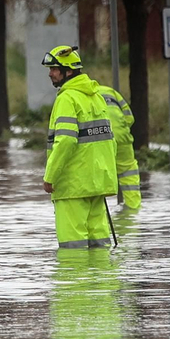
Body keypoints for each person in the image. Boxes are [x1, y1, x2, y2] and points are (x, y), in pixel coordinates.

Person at [41, 46, 118, 250]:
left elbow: (65, 141)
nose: (50, 73)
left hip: (72, 186)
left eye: (54, 69)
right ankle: (103, 282)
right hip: (97, 183)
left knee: (72, 249)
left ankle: (75, 283)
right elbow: (110, 140)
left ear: (69, 71)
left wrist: (50, 175)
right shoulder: (95, 96)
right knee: (99, 245)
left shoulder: (67, 98)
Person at [95, 83, 141, 211]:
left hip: (101, 140)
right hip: (123, 137)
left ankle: (100, 213)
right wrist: (121, 130)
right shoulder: (111, 92)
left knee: (98, 174)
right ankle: (133, 209)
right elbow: (129, 118)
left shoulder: (79, 95)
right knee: (128, 172)